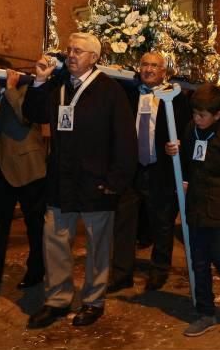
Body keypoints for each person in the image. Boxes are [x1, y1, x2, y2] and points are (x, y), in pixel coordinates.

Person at [23, 33, 137, 328]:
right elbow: (32, 113)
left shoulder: (110, 90)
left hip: (97, 182)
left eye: (78, 51)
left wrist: (116, 179)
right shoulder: (57, 85)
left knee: (98, 245)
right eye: (69, 50)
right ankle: (57, 300)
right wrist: (38, 81)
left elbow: (125, 139)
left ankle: (93, 301)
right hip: (61, 181)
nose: (71, 55)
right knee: (55, 242)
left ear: (94, 58)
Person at [165, 84, 220, 337]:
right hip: (196, 205)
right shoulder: (192, 130)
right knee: (198, 261)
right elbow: (185, 162)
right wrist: (173, 151)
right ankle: (206, 313)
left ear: (218, 114)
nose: (196, 119)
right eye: (194, 114)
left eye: (202, 115)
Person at [110, 52, 190, 293]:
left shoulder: (176, 98)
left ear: (163, 71)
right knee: (124, 224)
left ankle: (159, 270)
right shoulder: (128, 94)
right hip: (132, 171)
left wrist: (177, 147)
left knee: (162, 224)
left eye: (154, 65)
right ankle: (122, 273)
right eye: (144, 64)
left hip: (161, 170)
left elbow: (186, 130)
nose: (149, 69)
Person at [0, 57, 47, 296]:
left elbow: (25, 116)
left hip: (29, 167)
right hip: (1, 170)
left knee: (35, 225)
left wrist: (10, 88)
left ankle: (36, 271)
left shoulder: (25, 89)